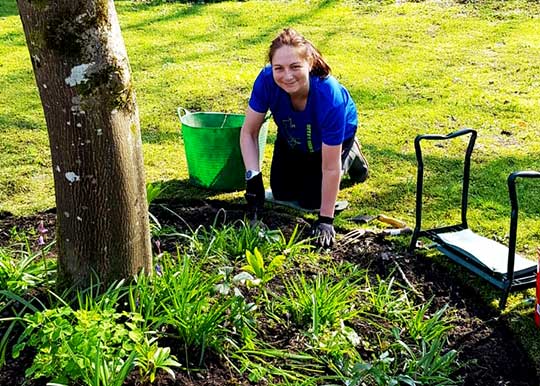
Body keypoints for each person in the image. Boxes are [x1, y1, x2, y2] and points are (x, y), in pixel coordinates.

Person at [240, 28, 368, 247]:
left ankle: (349, 154)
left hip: (331, 139)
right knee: (282, 193)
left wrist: (326, 219)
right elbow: (248, 132)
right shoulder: (266, 81)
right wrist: (253, 181)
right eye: (279, 68)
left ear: (309, 63)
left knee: (312, 201)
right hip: (293, 133)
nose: (287, 75)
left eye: (295, 66)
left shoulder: (329, 95)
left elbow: (329, 168)